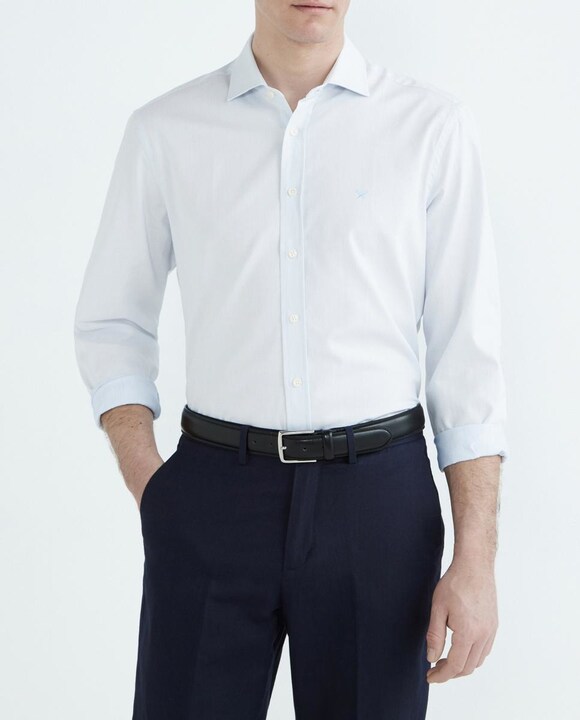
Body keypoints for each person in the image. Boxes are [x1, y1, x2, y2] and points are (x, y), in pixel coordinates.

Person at [73, 1, 509, 717]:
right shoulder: (166, 130)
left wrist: (477, 558)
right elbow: (111, 320)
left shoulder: (432, 127)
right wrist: (153, 484)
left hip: (379, 504)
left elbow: (467, 353)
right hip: (213, 495)